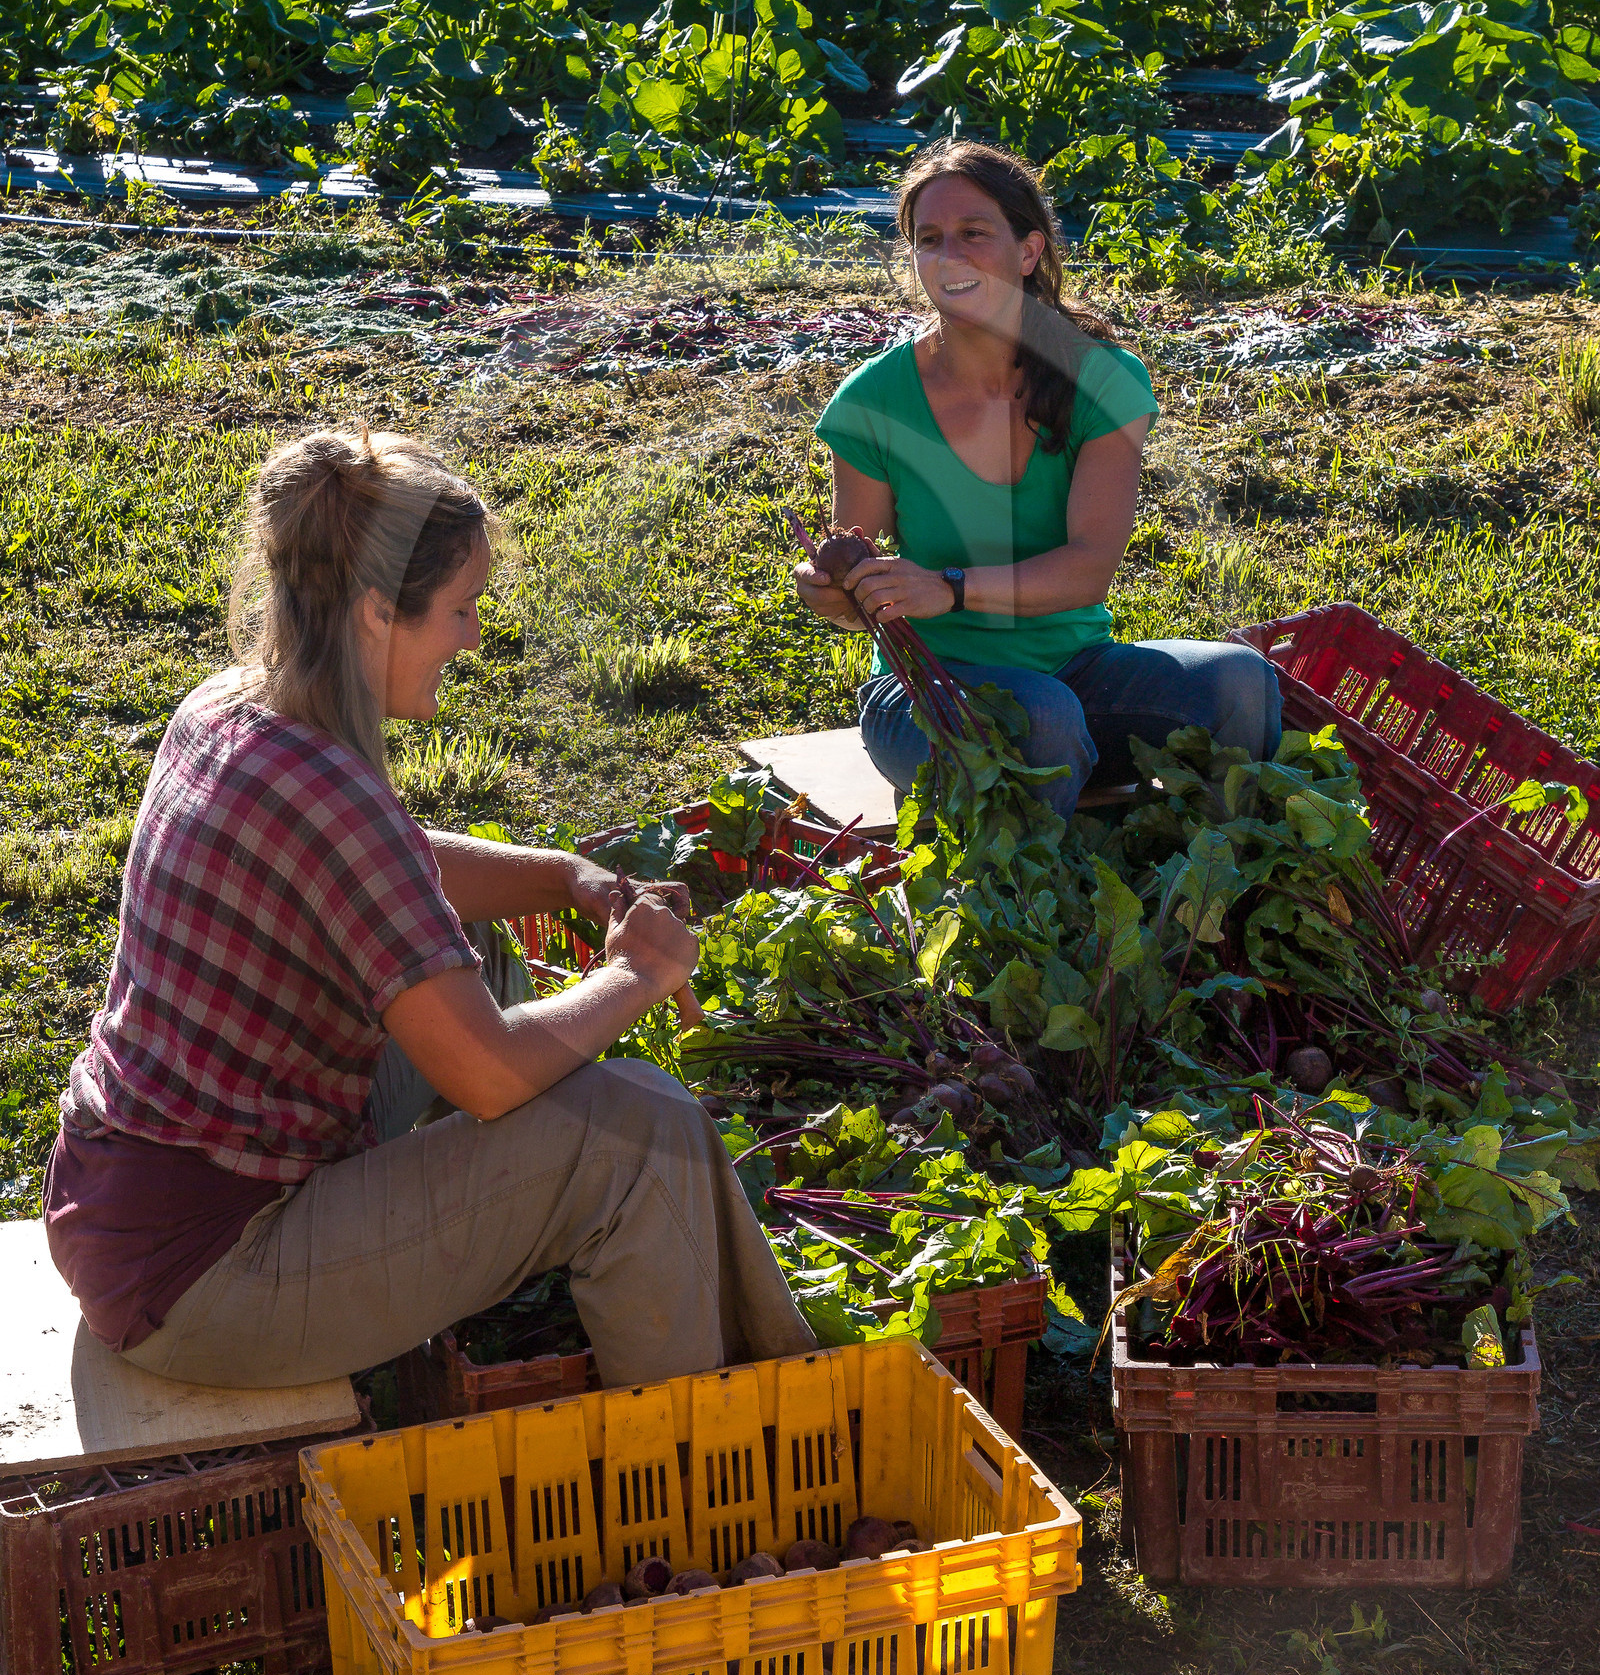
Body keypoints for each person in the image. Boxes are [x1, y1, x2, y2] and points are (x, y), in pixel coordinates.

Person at [44, 428, 813, 1390]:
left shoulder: (235, 706)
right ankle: (698, 1474)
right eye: (461, 609)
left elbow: (392, 871)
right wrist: (640, 975)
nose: (473, 637)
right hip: (205, 1282)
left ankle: (494, 1245)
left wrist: (560, 875)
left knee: (477, 956)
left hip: (120, 1202)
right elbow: (488, 1076)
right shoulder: (331, 795)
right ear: (376, 613)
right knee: (641, 1132)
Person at [795, 139, 1280, 812]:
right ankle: (1031, 914)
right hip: (927, 691)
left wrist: (950, 588)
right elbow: (857, 599)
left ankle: (1212, 905)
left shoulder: (1100, 379)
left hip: (1075, 673)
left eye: (974, 233)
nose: (950, 255)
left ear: (1028, 252)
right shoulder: (874, 401)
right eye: (929, 239)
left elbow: (1088, 570)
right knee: (1042, 719)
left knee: (1242, 683)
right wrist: (834, 593)